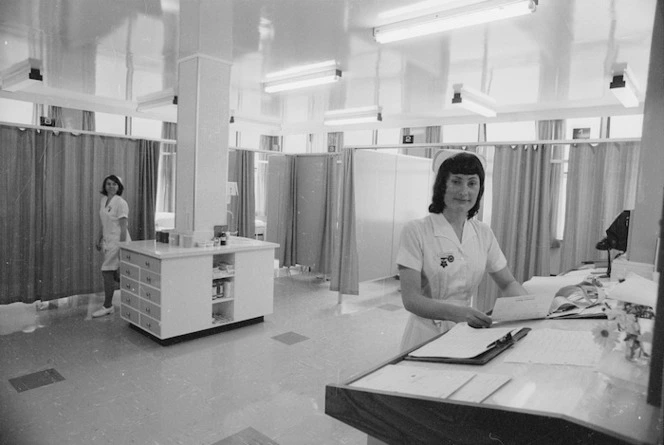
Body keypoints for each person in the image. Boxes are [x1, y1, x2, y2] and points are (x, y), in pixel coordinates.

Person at [397, 150, 527, 351]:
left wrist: (528, 307)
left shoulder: (483, 232)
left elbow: (508, 282)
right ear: (442, 186)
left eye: (472, 183)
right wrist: (460, 313)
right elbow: (412, 299)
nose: (464, 191)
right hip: (426, 332)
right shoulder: (416, 231)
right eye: (456, 181)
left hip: (466, 330)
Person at [93, 174, 131, 318]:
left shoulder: (121, 203)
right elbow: (103, 222)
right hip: (108, 240)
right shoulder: (103, 200)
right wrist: (99, 238)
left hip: (118, 241)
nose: (111, 186)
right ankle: (128, 298)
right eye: (108, 184)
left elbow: (123, 226)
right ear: (105, 186)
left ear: (119, 187)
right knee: (115, 273)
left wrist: (122, 248)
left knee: (107, 272)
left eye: (114, 184)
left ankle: (108, 306)